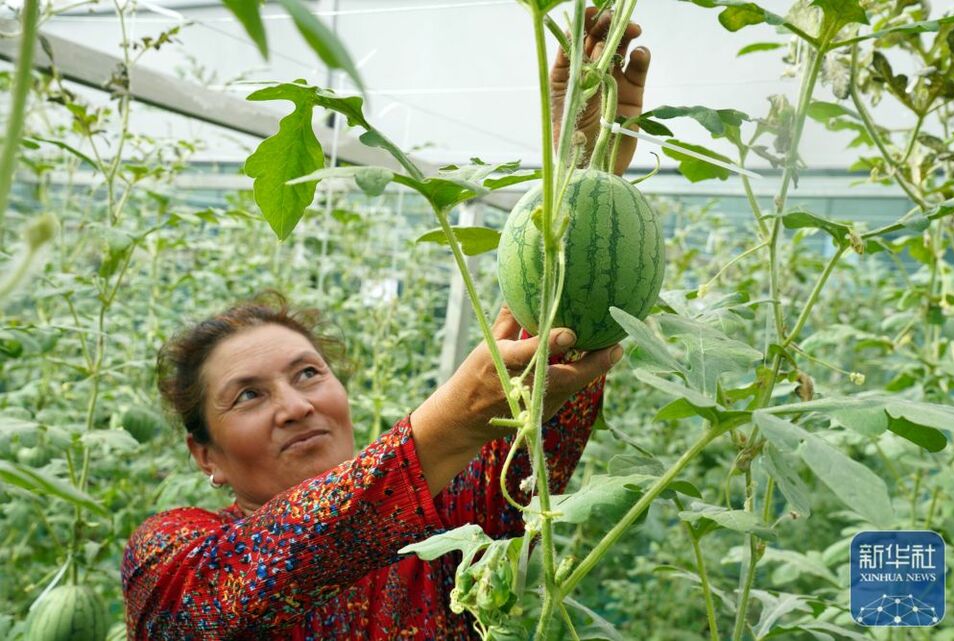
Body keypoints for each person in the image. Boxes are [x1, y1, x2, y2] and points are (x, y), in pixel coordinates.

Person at [121, 8, 651, 640]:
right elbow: (235, 592)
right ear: (205, 454)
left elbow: (549, 382)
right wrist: (444, 423)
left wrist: (581, 173)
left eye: (308, 373)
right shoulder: (168, 556)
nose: (294, 406)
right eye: (249, 395)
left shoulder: (445, 526)